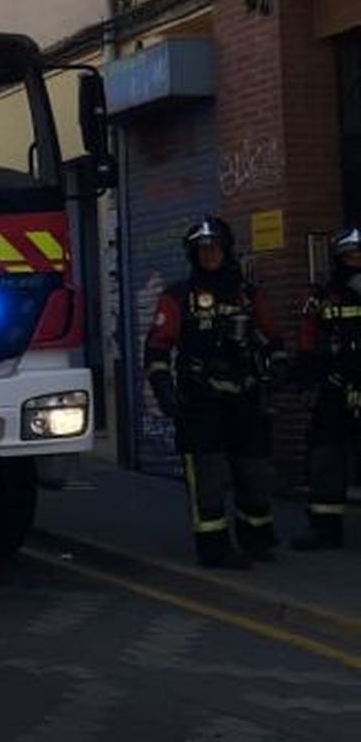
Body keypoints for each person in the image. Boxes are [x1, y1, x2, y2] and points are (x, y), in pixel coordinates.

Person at [145, 216, 287, 569]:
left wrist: (279, 365)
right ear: (193, 254)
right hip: (200, 399)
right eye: (203, 250)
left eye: (215, 248)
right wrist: (164, 388)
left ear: (226, 250)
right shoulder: (178, 297)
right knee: (208, 477)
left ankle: (256, 538)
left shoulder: (248, 293)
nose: (210, 255)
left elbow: (271, 335)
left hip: (246, 395)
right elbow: (158, 348)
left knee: (254, 472)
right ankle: (214, 548)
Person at [291, 226, 361, 550]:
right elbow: (307, 336)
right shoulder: (322, 295)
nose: (355, 259)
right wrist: (306, 377)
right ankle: (325, 527)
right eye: (350, 254)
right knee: (325, 456)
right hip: (334, 387)